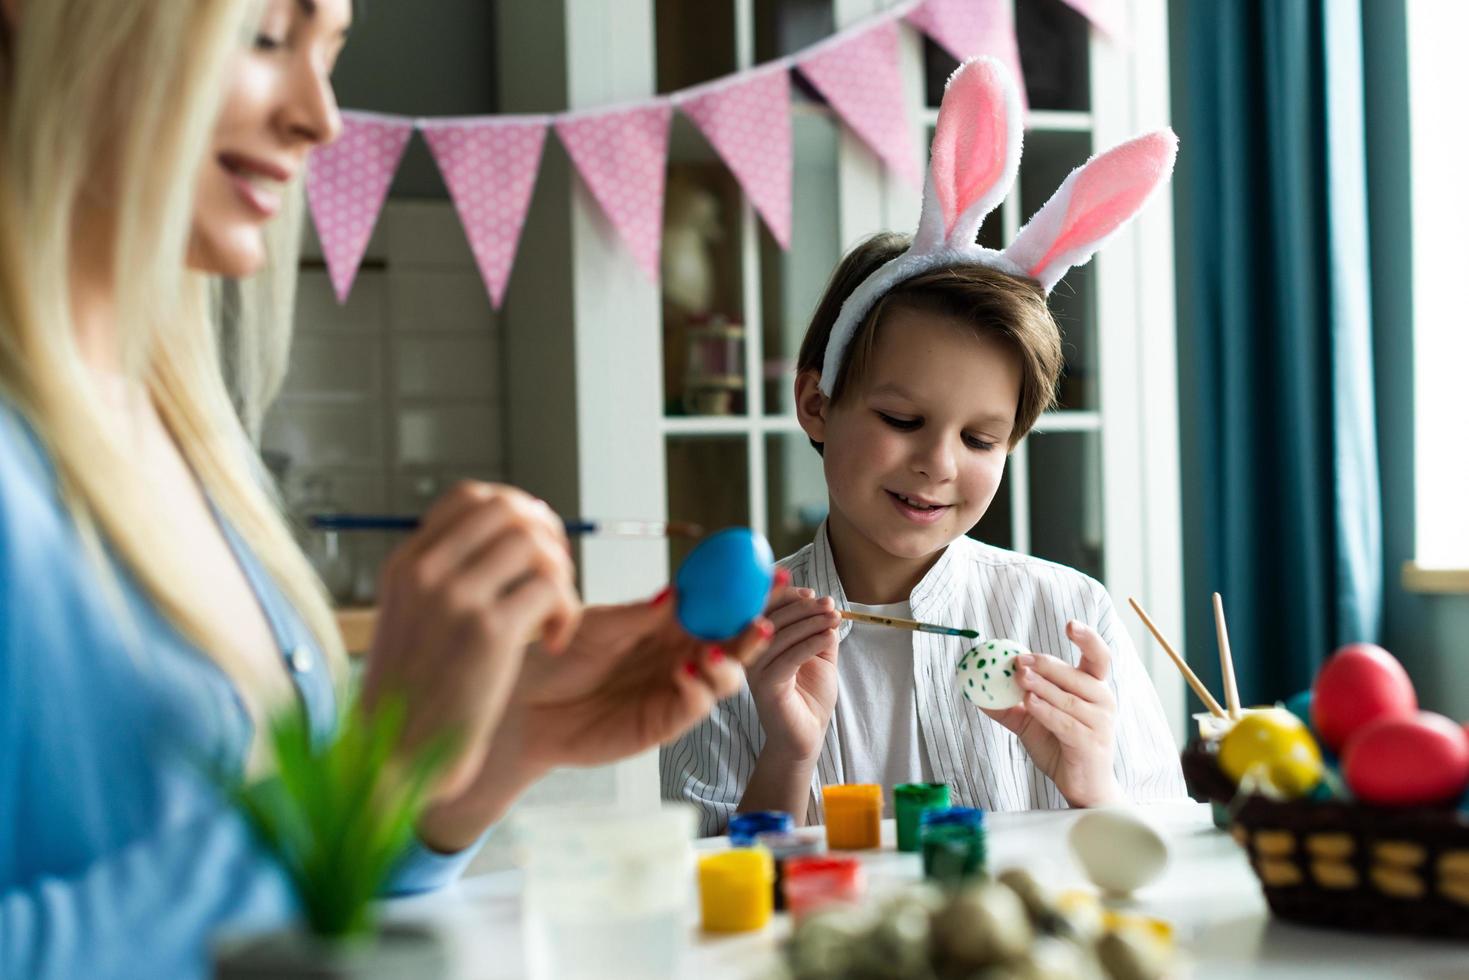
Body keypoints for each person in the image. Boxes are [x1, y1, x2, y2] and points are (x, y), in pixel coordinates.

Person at [0, 1, 769, 976]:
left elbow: (296, 910)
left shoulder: (183, 439)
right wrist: (386, 763)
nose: (319, 118)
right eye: (267, 36)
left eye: (332, 53)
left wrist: (477, 756)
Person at [661, 58, 1187, 836]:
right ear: (816, 404)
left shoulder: (1068, 612)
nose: (938, 464)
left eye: (980, 438)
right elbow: (699, 905)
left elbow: (1159, 862)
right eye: (903, 421)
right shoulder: (735, 634)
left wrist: (1091, 785)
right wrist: (788, 754)